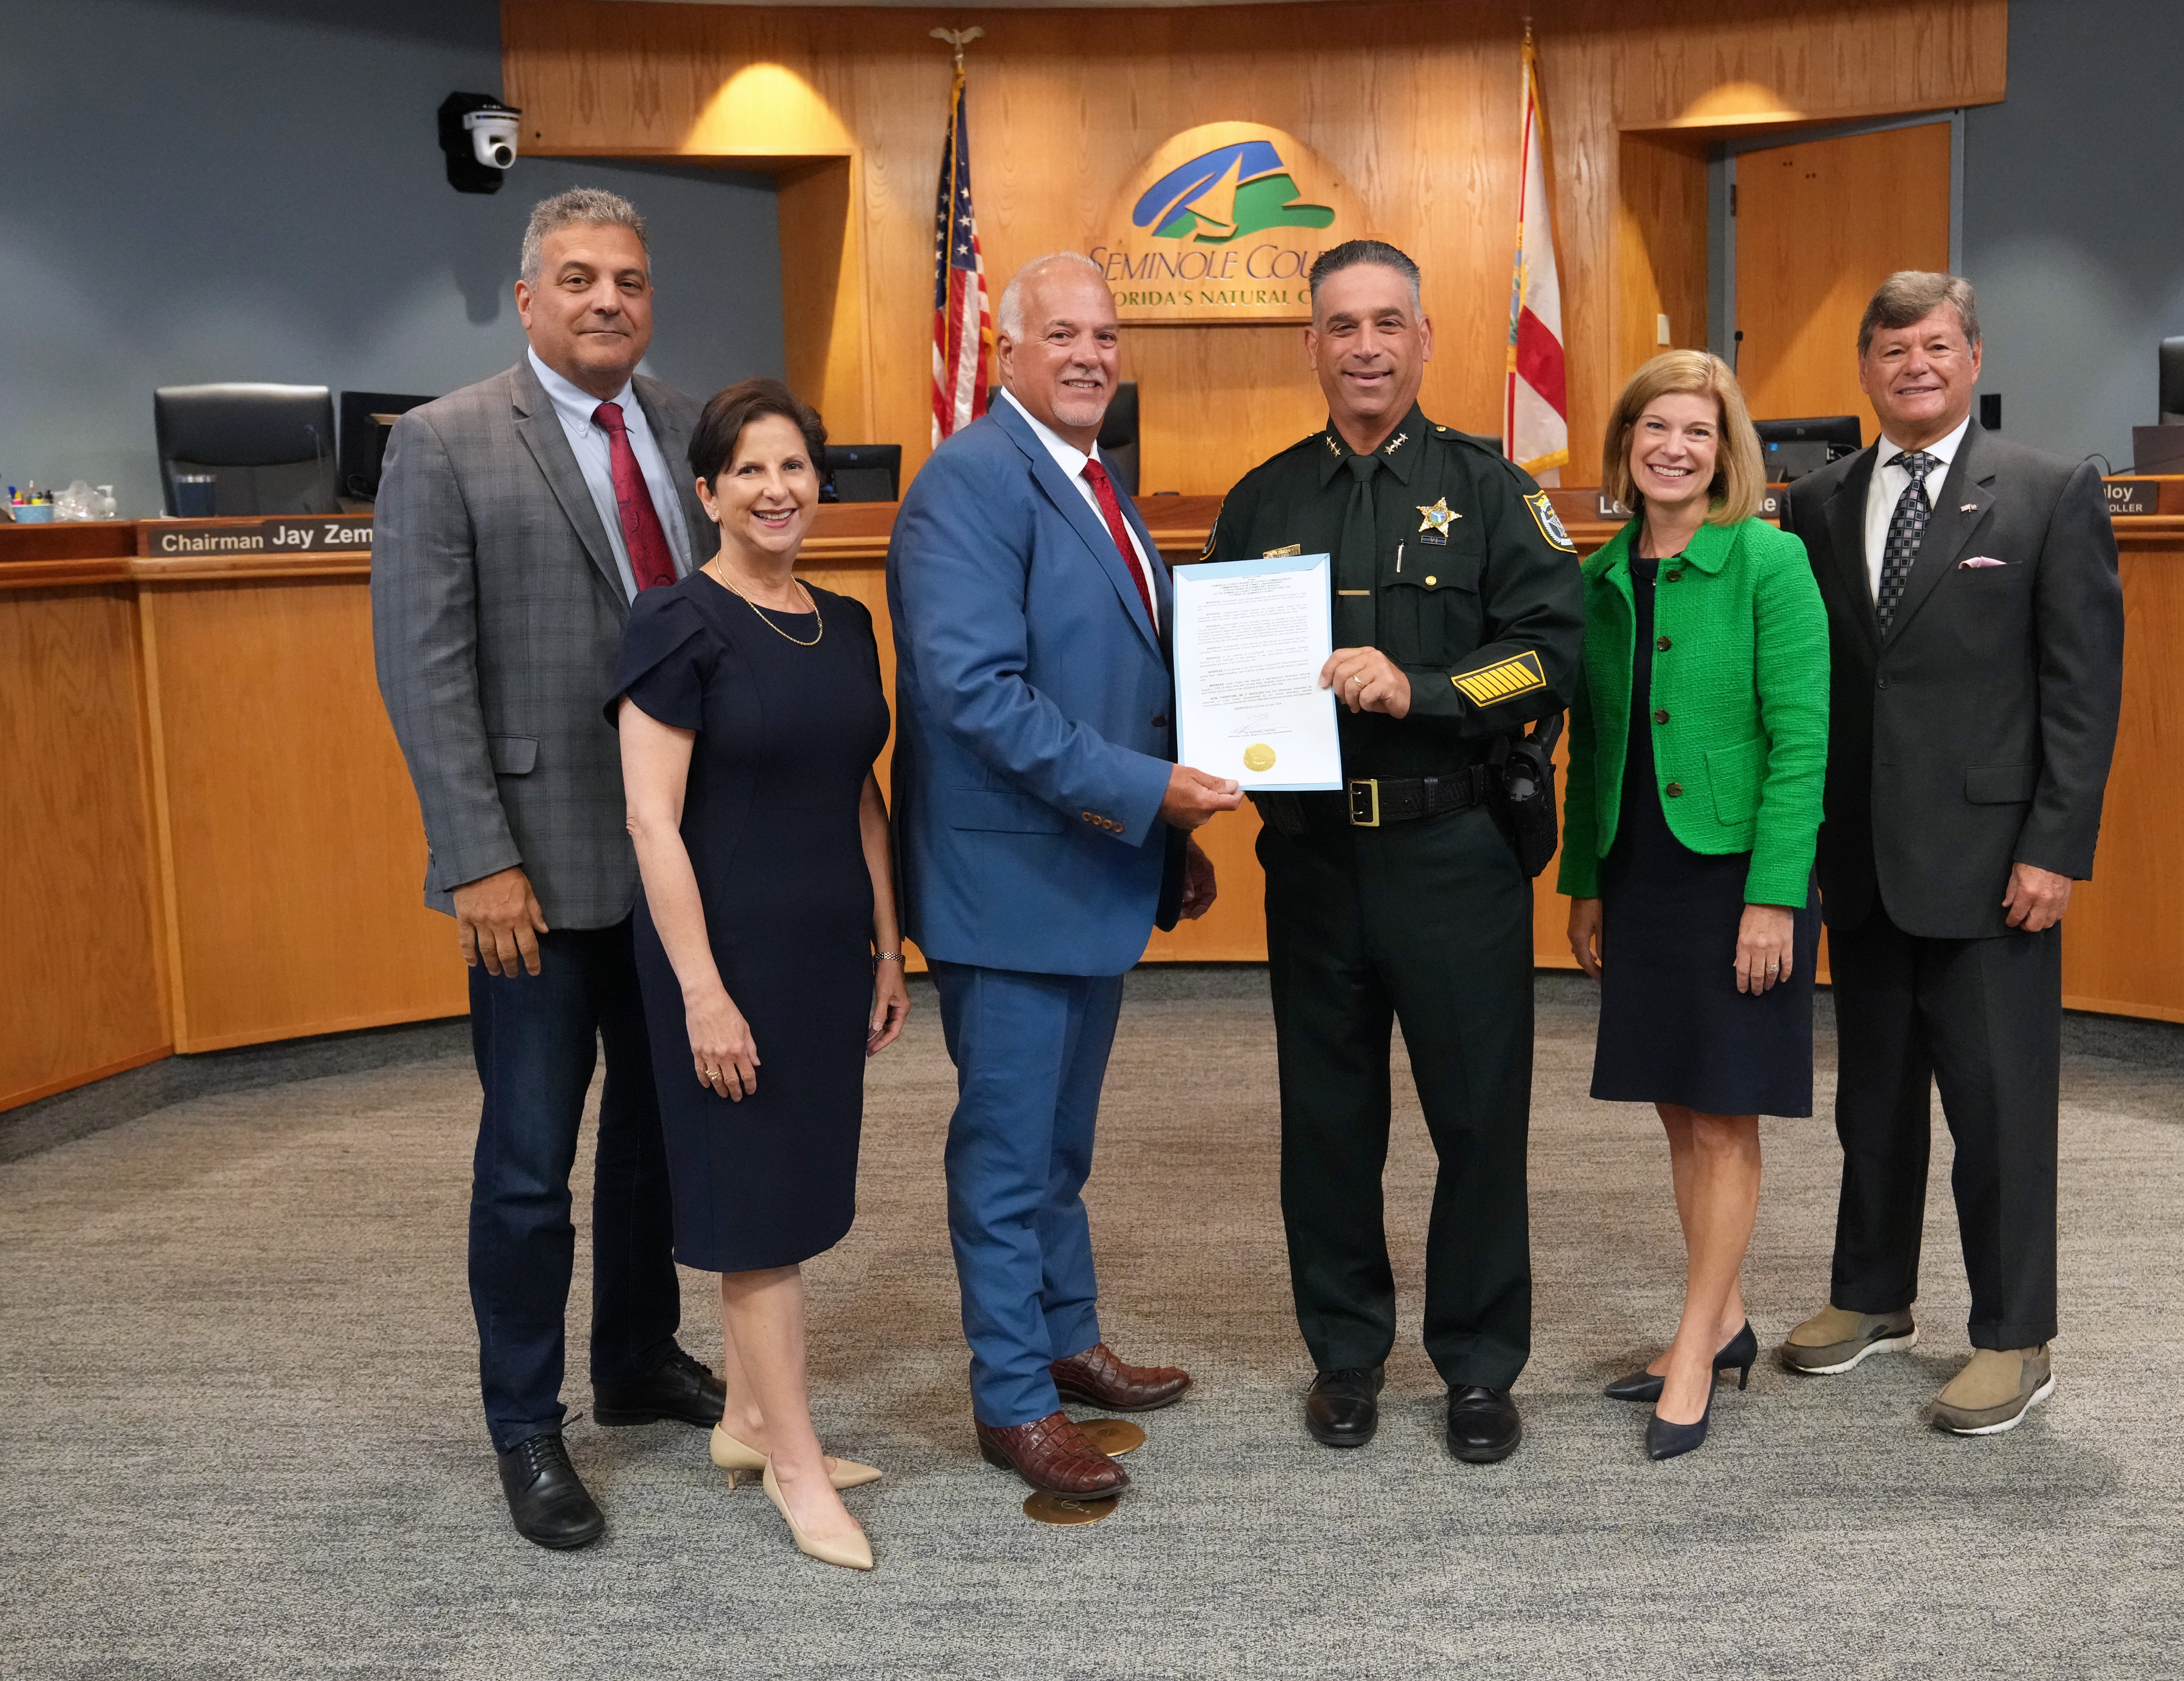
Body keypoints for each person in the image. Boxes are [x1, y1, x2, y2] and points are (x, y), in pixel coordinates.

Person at [373, 187, 727, 1550]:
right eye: (577, 279)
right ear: (527, 299)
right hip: (530, 876)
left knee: (657, 1145)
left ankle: (637, 1360)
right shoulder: (448, 444)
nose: (606, 302)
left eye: (629, 281)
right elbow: (425, 670)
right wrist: (474, 861)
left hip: (679, 867)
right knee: (530, 1165)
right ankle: (528, 1426)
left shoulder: (698, 431)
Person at [1203, 240, 1584, 1465]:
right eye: (1340, 326)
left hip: (1452, 851)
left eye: (1386, 323)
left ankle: (1477, 1366)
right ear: (1310, 346)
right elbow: (1219, 672)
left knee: (1476, 1121)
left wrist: (1418, 686)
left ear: (1424, 339)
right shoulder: (1261, 500)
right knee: (1328, 1122)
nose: (1365, 346)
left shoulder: (1489, 488)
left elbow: (1551, 655)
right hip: (1313, 861)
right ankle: (1348, 1354)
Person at [887, 251, 1238, 1504]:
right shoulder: (968, 485)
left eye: (1106, 333)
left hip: (1085, 872)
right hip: (1009, 889)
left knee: (1058, 1146)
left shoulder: (1097, 480)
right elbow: (974, 698)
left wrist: (1169, 836)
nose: (1091, 354)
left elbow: (1122, 687)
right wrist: (1153, 798)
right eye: (1064, 335)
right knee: (1004, 1150)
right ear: (1007, 350)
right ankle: (1013, 1398)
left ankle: (1067, 1337)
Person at [1776, 271, 2123, 1435]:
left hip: (1994, 869)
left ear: (1973, 357)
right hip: (1864, 862)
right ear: (1865, 368)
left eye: (1934, 346)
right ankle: (1871, 1297)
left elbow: (2082, 691)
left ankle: (2015, 1338)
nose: (1912, 366)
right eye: (1890, 350)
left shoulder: (2048, 491)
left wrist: (2055, 847)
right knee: (1871, 1102)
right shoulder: (1817, 503)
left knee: (1999, 1113)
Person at [610, 379, 908, 1571]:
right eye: (751, 471)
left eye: (795, 468)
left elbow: (860, 795)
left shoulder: (844, 620)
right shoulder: (675, 621)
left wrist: (889, 948)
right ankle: (795, 1466)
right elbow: (650, 823)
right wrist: (702, 991)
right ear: (708, 491)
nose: (778, 490)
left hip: (826, 953)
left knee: (795, 1191)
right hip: (725, 955)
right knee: (759, 1222)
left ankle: (744, 1421)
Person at [1559, 351, 1828, 1460]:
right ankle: (1724, 1321)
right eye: (1656, 428)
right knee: (1679, 1104)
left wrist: (1775, 898)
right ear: (1627, 444)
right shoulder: (1605, 573)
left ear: (1727, 454)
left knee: (1725, 1116)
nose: (1675, 447)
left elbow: (1803, 738)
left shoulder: (1770, 561)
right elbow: (1594, 745)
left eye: (1699, 433)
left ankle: (1692, 1349)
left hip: (1735, 874)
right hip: (1642, 874)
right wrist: (1583, 882)